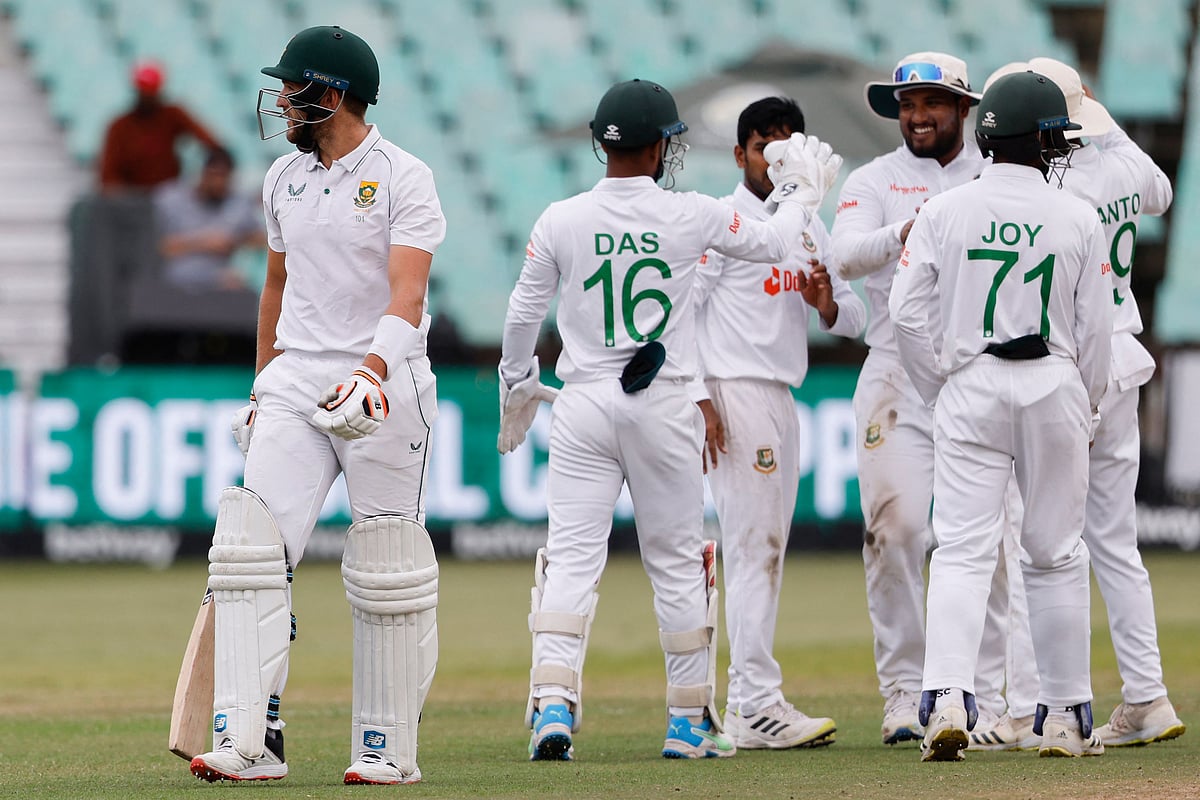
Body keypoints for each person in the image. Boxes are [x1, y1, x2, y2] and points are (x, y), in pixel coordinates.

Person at [498, 78, 842, 761]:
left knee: (569, 560)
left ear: (601, 143)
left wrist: (517, 388)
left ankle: (554, 705)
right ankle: (687, 724)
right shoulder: (690, 214)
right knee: (679, 566)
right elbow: (778, 242)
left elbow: (519, 317)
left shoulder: (560, 218)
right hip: (664, 404)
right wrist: (802, 191)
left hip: (584, 404)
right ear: (661, 146)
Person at [187, 25, 445, 786]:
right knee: (247, 553)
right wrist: (262, 388)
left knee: (387, 564)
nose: (281, 103)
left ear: (329, 95)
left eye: (292, 89)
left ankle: (387, 749)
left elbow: (409, 291)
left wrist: (372, 369)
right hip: (298, 378)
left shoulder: (405, 175)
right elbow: (274, 287)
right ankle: (249, 739)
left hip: (383, 381)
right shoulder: (281, 178)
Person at [889, 69, 1113, 761]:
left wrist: (939, 384)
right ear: (1038, 138)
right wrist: (1089, 402)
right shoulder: (1077, 215)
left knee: (960, 549)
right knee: (1054, 553)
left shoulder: (944, 211)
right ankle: (1064, 718)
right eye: (1054, 135)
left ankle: (948, 700)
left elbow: (903, 311)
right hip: (1052, 381)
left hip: (970, 382)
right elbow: (1096, 331)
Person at [976, 57, 1186, 750]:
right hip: (1125, 355)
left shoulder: (1056, 186)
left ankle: (1037, 704)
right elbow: (1158, 189)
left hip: (1071, 362)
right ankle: (1147, 695)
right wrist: (1102, 118)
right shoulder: (1121, 167)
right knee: (1114, 544)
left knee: (1034, 537)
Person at [830, 51, 1022, 746]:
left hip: (977, 369)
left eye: (932, 103)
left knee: (987, 543)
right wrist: (915, 228)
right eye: (907, 105)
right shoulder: (875, 180)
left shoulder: (993, 175)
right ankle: (906, 693)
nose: (916, 116)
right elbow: (844, 257)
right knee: (898, 531)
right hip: (894, 373)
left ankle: (987, 699)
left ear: (964, 108)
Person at [695, 96, 864, 749]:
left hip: (780, 395)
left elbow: (852, 317)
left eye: (789, 138)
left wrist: (825, 304)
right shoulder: (725, 219)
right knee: (752, 547)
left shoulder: (808, 225)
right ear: (740, 153)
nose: (779, 151)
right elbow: (688, 313)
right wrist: (702, 398)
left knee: (764, 546)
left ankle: (750, 699)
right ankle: (752, 702)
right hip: (736, 391)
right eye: (765, 141)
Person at [98, 60, 223, 192]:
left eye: (151, 93)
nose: (147, 98)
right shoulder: (120, 126)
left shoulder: (172, 115)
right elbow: (108, 175)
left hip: (168, 193)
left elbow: (209, 141)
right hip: (132, 197)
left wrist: (215, 165)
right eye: (143, 93)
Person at [153, 147, 264, 290]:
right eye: (214, 175)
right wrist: (203, 242)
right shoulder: (171, 199)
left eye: (224, 177)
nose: (218, 183)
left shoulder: (238, 204)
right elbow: (159, 247)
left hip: (221, 283)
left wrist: (234, 241)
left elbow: (262, 241)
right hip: (175, 284)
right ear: (202, 172)